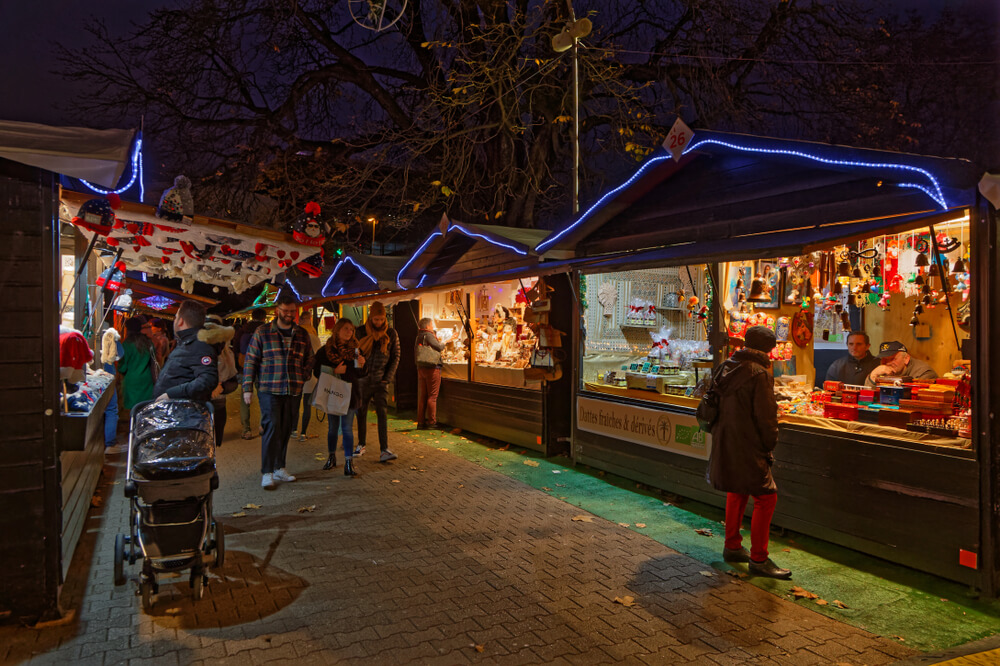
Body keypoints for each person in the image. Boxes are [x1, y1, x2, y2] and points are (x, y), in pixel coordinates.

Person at [707, 326, 791, 580]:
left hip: (726, 438)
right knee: (767, 497)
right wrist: (769, 445)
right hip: (749, 443)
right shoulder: (760, 373)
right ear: (769, 349)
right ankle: (759, 559)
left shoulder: (726, 366)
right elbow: (766, 418)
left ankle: (732, 546)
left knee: (738, 490)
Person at [242, 293, 315, 489]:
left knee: (286, 428)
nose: (290, 314)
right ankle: (266, 472)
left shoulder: (301, 334)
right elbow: (251, 360)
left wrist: (304, 374)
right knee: (271, 427)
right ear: (277, 311)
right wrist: (247, 388)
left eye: (293, 311)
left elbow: (310, 357)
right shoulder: (263, 332)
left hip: (293, 388)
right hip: (269, 388)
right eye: (286, 311)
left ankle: (279, 467)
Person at [313, 318, 367, 476]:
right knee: (332, 428)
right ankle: (331, 456)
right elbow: (317, 371)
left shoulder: (356, 351)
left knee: (347, 428)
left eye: (351, 329)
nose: (349, 332)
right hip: (332, 393)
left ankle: (349, 462)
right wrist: (334, 371)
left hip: (350, 394)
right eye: (346, 329)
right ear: (337, 330)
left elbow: (361, 374)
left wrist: (363, 365)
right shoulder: (325, 351)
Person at [355, 302, 400, 461]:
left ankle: (384, 449)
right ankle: (361, 444)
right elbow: (354, 351)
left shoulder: (391, 333)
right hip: (363, 379)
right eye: (375, 319)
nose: (379, 323)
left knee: (382, 414)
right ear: (370, 317)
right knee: (361, 412)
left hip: (381, 380)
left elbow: (395, 357)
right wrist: (357, 364)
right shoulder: (360, 332)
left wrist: (387, 378)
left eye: (381, 319)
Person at [153, 300, 218, 402]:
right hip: (173, 412)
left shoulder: (200, 345)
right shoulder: (187, 342)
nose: (175, 321)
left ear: (181, 321)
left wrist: (172, 394)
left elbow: (208, 379)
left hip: (182, 413)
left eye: (176, 317)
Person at [202, 314, 237, 447]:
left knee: (217, 439)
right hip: (200, 401)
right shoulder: (194, 349)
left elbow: (233, 381)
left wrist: (221, 387)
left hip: (218, 402)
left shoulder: (227, 352)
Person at [291, 313, 322, 442]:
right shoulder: (315, 337)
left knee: (296, 404)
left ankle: (294, 430)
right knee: (307, 405)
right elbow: (318, 356)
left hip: (298, 374)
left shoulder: (297, 335)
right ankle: (303, 433)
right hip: (311, 375)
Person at [238, 307, 267, 439]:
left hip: (246, 368)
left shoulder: (242, 331)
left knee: (245, 399)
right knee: (264, 398)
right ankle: (263, 427)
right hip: (263, 369)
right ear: (263, 318)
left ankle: (246, 429)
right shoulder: (267, 330)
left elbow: (237, 350)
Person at [117, 316, 155, 412]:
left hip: (132, 381)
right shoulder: (148, 342)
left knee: (133, 411)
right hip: (147, 380)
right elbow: (153, 362)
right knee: (146, 410)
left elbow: (122, 367)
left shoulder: (126, 344)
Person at [415, 318, 445, 430]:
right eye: (432, 324)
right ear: (427, 326)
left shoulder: (419, 335)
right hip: (432, 368)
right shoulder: (428, 335)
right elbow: (439, 347)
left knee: (423, 396)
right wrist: (445, 342)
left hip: (421, 368)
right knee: (432, 396)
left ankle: (421, 422)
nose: (432, 326)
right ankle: (432, 422)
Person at [866, 341, 938, 385]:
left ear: (906, 359)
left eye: (892, 359)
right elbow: (866, 397)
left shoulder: (924, 373)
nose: (887, 363)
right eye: (884, 359)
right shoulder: (881, 371)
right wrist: (873, 376)